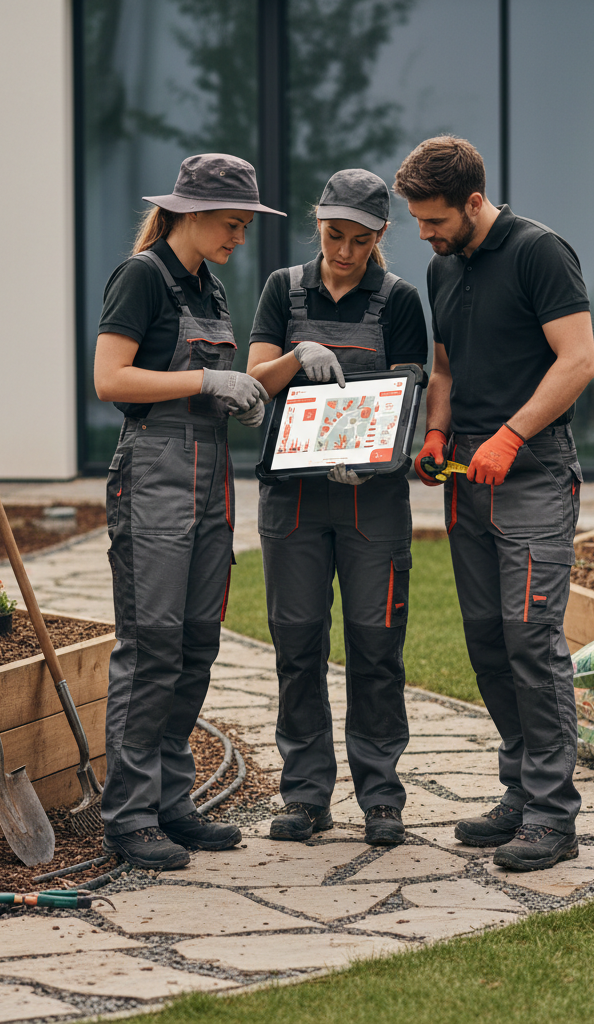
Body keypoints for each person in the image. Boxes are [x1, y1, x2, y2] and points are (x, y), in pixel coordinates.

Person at [394, 136, 594, 871]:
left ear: (474, 202)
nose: (424, 232)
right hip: (466, 476)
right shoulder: (442, 265)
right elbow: (443, 366)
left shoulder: (541, 253)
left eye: (434, 219)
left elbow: (579, 360)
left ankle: (552, 814)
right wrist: (436, 430)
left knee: (531, 638)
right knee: (486, 638)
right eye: (417, 220)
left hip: (533, 471)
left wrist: (511, 435)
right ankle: (519, 788)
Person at [95, 153, 283, 870]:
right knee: (151, 646)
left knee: (196, 643)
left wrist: (277, 370)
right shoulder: (142, 276)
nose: (239, 237)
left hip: (210, 480)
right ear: (192, 213)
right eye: (233, 224)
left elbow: (213, 386)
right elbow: (110, 378)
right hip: (154, 473)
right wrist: (208, 377)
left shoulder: (211, 288)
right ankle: (131, 814)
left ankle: (172, 801)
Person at [247, 168, 428, 846]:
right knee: (297, 645)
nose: (343, 251)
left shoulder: (400, 301)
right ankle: (306, 797)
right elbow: (256, 384)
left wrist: (381, 459)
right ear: (316, 224)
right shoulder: (282, 290)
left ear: (381, 235)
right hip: (292, 498)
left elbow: (410, 396)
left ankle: (381, 798)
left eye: (359, 239)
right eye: (332, 235)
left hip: (369, 500)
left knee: (376, 646)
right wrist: (299, 353)